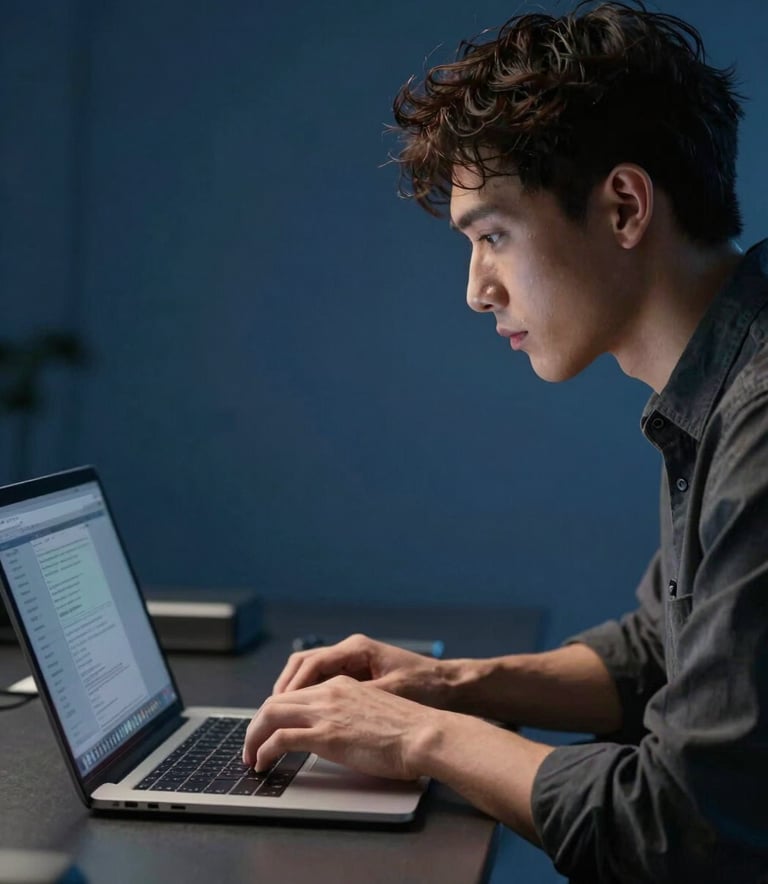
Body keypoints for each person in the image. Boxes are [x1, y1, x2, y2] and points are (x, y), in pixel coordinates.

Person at [243, 2, 768, 880]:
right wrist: (448, 684)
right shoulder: (719, 384)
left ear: (625, 206)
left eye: (493, 236)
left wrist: (422, 735)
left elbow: (685, 828)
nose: (476, 291)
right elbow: (661, 651)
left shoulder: (758, 416)